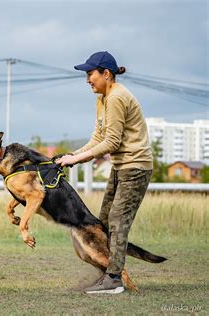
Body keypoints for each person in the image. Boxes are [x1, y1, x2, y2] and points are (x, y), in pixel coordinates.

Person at [56, 51, 153, 294]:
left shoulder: (117, 97)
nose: (87, 79)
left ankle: (114, 280)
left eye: (90, 74)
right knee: (104, 222)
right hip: (121, 166)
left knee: (119, 221)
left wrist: (76, 159)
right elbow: (98, 137)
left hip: (136, 167)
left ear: (106, 74)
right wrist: (72, 157)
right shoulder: (102, 98)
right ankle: (109, 274)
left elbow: (111, 143)